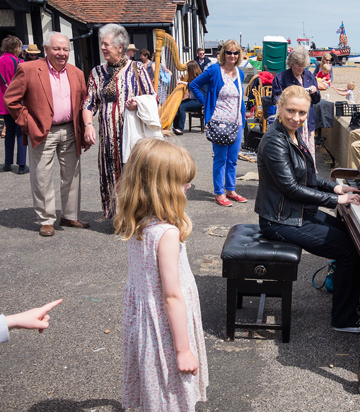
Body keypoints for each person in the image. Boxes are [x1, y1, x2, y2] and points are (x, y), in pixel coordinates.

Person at [255, 85, 360, 333]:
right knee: (348, 251)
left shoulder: (294, 134)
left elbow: (309, 176)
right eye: (291, 111)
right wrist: (335, 201)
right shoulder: (275, 140)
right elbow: (291, 188)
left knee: (354, 239)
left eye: (302, 113)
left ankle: (349, 303)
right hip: (280, 220)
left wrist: (336, 189)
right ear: (280, 108)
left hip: (300, 212)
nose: (296, 118)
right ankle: (343, 319)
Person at [114, 138, 208, 411]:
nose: (188, 186)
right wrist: (183, 349)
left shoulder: (139, 222)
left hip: (145, 322)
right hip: (166, 328)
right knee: (172, 395)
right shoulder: (166, 233)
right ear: (162, 187)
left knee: (154, 390)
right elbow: (171, 296)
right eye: (182, 181)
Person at [5, 32, 91, 237]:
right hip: (42, 130)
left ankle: (69, 216)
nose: (61, 53)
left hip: (70, 130)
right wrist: (28, 123)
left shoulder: (76, 72)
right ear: (46, 49)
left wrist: (85, 127)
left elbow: (84, 101)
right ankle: (46, 219)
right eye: (56, 49)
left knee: (72, 174)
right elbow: (11, 99)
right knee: (42, 175)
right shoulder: (28, 69)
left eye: (65, 49)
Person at [82, 24, 156, 219]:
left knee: (135, 175)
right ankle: (117, 216)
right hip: (107, 138)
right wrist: (88, 125)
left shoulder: (137, 68)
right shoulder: (96, 73)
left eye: (107, 44)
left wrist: (137, 103)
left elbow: (152, 97)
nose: (103, 48)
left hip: (132, 137)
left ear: (120, 47)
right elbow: (89, 103)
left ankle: (137, 216)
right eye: (102, 44)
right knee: (110, 175)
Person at [190, 39, 247, 207]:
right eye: (229, 52)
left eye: (235, 53)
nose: (232, 55)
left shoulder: (240, 73)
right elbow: (194, 85)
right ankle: (219, 192)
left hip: (236, 122)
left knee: (233, 159)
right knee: (220, 158)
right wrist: (205, 102)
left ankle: (230, 189)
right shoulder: (215, 70)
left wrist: (242, 120)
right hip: (219, 123)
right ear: (223, 54)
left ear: (239, 55)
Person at [272, 46, 321, 166]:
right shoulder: (281, 78)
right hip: (289, 122)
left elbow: (316, 101)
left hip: (307, 122)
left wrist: (315, 92)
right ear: (291, 64)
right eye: (298, 65)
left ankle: (309, 177)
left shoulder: (309, 76)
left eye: (303, 65)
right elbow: (276, 99)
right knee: (292, 155)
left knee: (307, 154)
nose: (301, 68)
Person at [0, 35, 27, 174]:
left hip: (3, 102)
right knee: (21, 132)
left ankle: (7, 163)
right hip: (16, 102)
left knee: (9, 132)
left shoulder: (0, 60)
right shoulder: (19, 62)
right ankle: (22, 164)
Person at [173, 60, 203, 135]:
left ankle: (180, 129)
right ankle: (175, 127)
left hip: (198, 101)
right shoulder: (190, 77)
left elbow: (193, 86)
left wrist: (182, 82)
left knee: (181, 107)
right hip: (191, 99)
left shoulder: (200, 77)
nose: (187, 71)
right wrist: (182, 79)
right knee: (177, 105)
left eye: (188, 69)